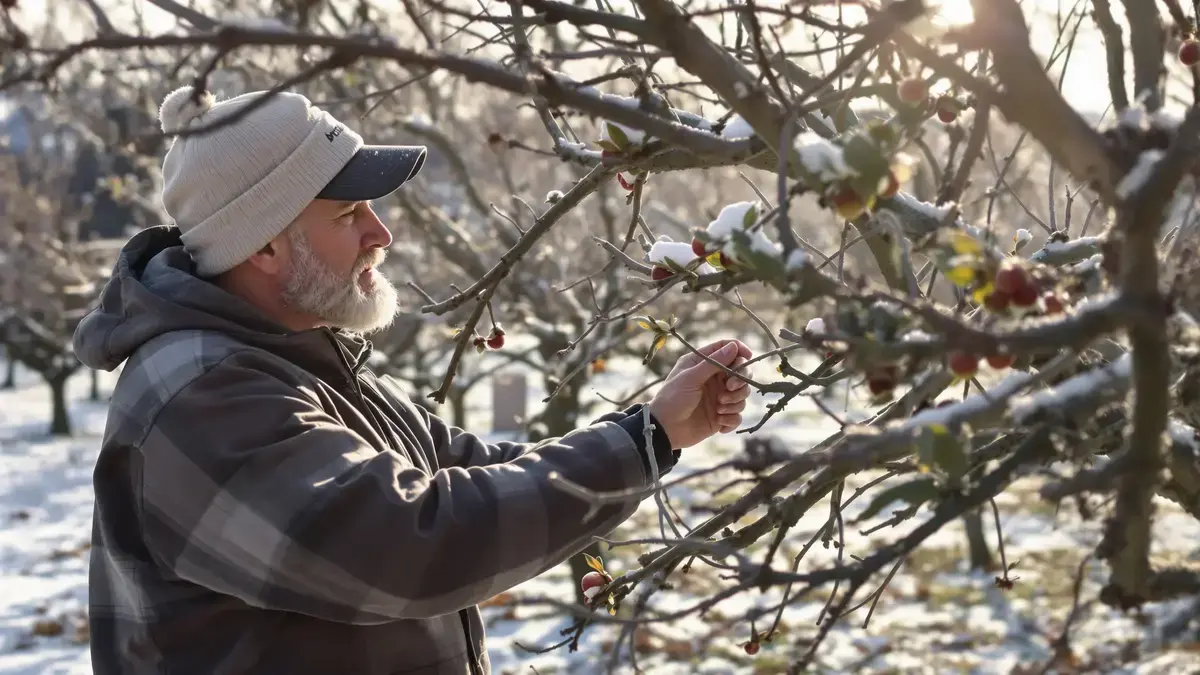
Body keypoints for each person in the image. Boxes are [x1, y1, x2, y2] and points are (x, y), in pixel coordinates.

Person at [73, 85, 753, 675]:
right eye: (347, 214)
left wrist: (652, 431)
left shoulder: (304, 358)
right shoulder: (201, 397)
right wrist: (643, 442)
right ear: (266, 246)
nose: (382, 232)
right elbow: (406, 542)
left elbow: (470, 469)